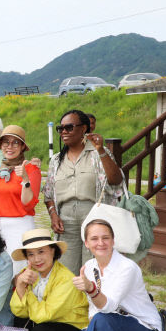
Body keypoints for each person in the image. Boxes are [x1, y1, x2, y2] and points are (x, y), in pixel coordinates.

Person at [43, 110, 124, 273]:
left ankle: (94, 299)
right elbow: (48, 193)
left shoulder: (98, 153)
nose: (64, 132)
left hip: (94, 217)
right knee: (66, 270)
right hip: (65, 222)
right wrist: (53, 215)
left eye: (69, 127)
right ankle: (72, 299)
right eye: (61, 128)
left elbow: (116, 181)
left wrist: (101, 150)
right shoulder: (56, 160)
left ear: (84, 129)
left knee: (94, 269)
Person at [9, 228, 89, 331]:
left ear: (53, 251)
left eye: (41, 252)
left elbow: (45, 315)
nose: (36, 259)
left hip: (74, 329)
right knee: (20, 320)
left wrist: (28, 294)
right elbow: (19, 311)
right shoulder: (31, 272)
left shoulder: (65, 278)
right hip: (50, 324)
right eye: (31, 254)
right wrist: (20, 285)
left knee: (41, 330)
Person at [0, 125, 41, 274]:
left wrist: (25, 179)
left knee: (18, 271)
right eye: (6, 142)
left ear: (23, 146)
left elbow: (28, 203)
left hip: (20, 227)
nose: (10, 146)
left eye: (15, 142)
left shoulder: (31, 169)